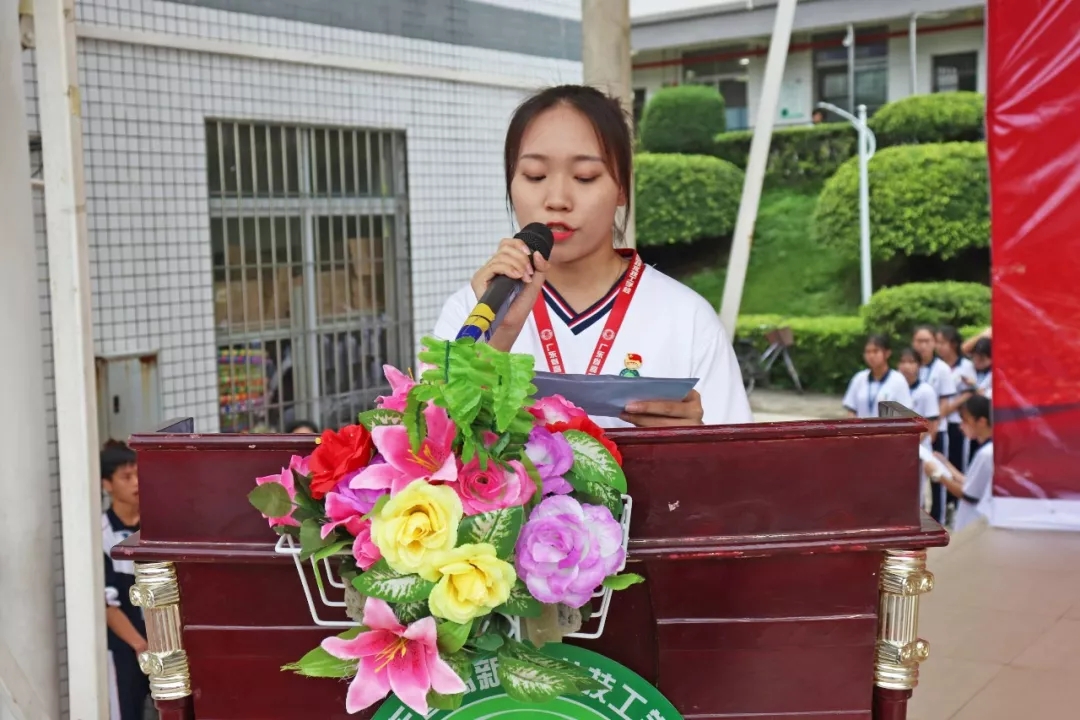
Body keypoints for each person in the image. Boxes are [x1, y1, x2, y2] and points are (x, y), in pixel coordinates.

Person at [432, 85, 752, 428]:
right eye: (535, 175)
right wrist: (498, 337)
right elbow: (426, 446)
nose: (557, 199)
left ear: (622, 188)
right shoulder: (471, 311)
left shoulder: (688, 320)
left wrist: (693, 443)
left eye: (585, 177)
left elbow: (740, 457)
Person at [101, 440, 149, 720]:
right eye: (126, 477)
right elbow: (107, 605)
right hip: (125, 648)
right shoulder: (101, 533)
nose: (136, 483)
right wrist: (141, 645)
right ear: (106, 484)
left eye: (138, 474)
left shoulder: (158, 525)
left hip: (166, 643)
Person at [925, 394, 994, 532]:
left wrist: (937, 474)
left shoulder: (986, 454)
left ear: (981, 421)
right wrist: (946, 465)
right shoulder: (989, 448)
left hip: (974, 525)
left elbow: (968, 495)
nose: (961, 426)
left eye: (965, 421)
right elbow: (970, 482)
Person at [911, 325, 956, 522]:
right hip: (915, 432)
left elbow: (945, 401)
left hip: (937, 429)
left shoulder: (942, 369)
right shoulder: (910, 366)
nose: (923, 346)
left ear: (934, 344)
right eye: (919, 341)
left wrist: (933, 425)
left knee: (938, 474)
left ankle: (939, 517)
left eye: (927, 341)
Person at [898, 347, 941, 512]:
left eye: (911, 362)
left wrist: (910, 445)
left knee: (915, 492)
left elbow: (929, 423)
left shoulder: (926, 391)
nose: (906, 366)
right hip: (896, 447)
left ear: (919, 365)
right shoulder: (894, 389)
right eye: (903, 362)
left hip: (918, 447)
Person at [842, 335, 912, 418]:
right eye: (868, 352)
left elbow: (905, 416)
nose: (871, 356)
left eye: (876, 351)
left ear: (887, 353)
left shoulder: (898, 380)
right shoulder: (859, 378)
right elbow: (851, 410)